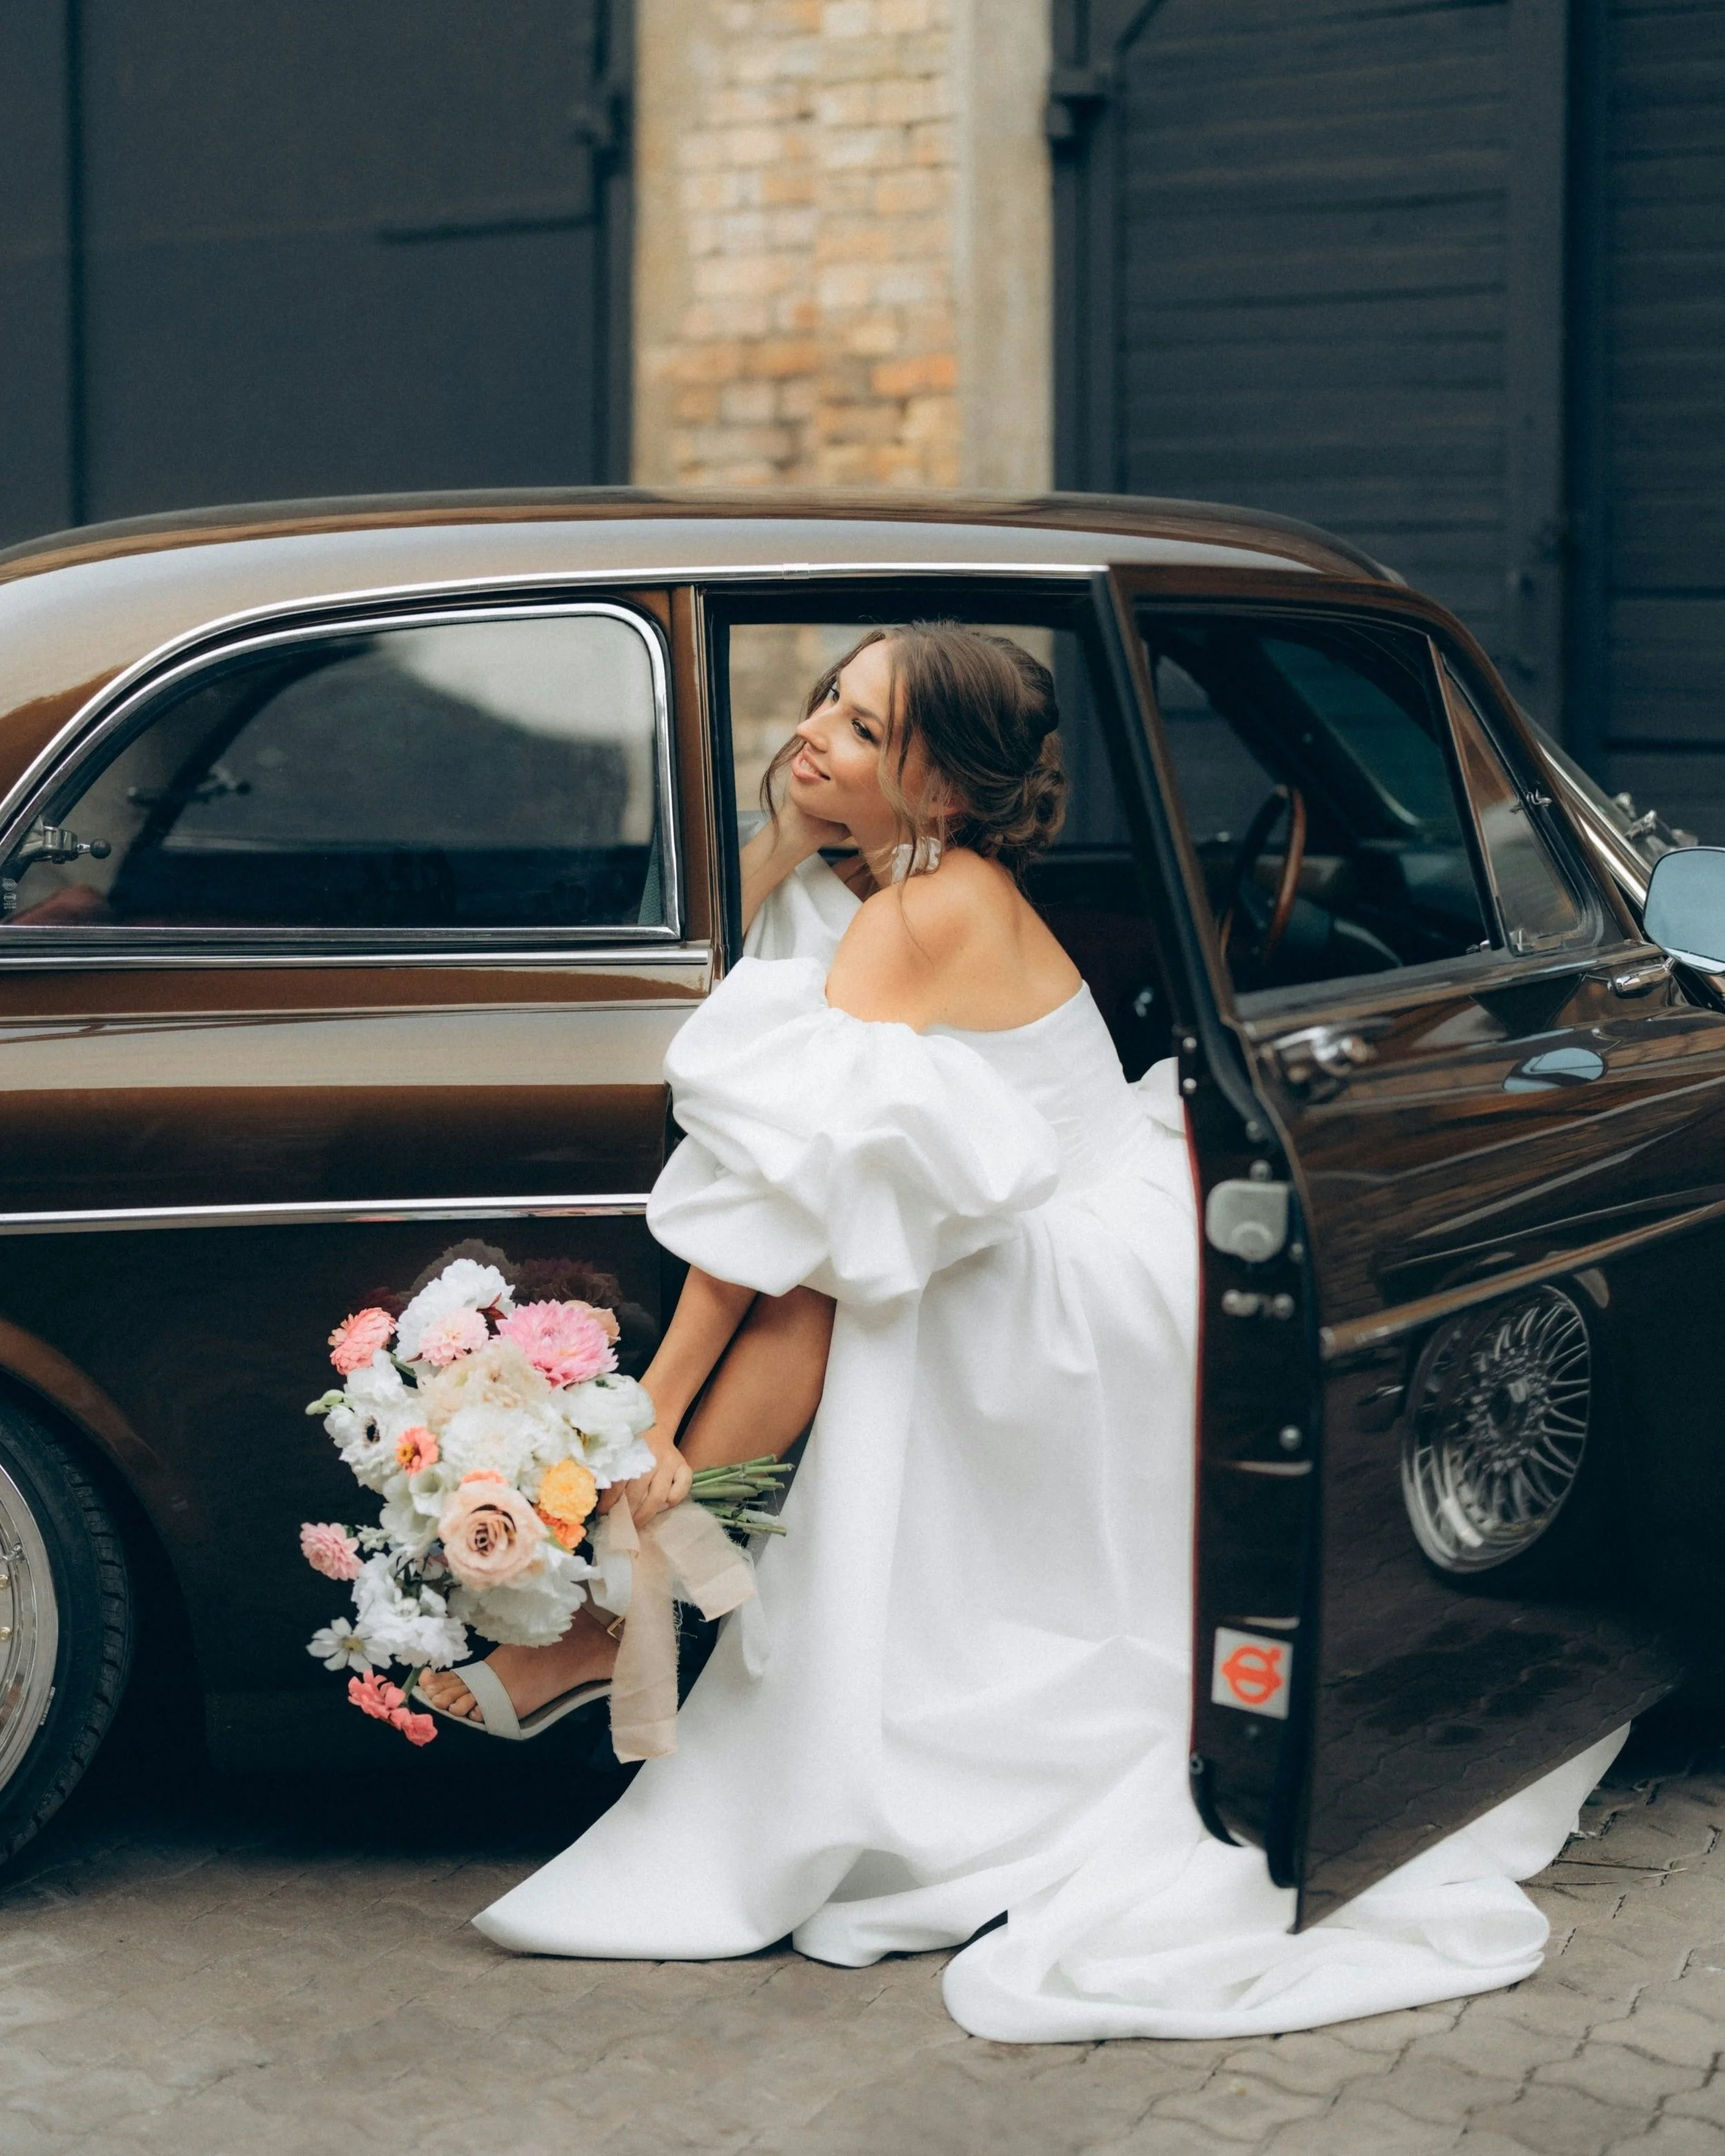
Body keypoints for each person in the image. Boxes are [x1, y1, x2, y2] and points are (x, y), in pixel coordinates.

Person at [426, 624, 1623, 2041]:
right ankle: (616, 1608)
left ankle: (616, 1593)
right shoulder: (879, 878)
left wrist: (647, 1422)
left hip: (1084, 1273)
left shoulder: (917, 908)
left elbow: (774, 1193)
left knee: (831, 1274)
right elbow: (773, 1001)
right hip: (1109, 1200)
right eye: (827, 702)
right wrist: (785, 817)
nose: (816, 733)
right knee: (843, 1261)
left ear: (940, 800)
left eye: (867, 731)